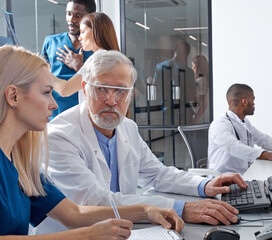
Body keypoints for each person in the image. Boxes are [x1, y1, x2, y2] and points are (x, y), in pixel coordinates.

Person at [35, 50, 248, 234]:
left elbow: (156, 174)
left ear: (130, 94)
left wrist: (204, 185)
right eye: (101, 88)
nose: (111, 100)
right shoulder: (60, 136)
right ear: (84, 89)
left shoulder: (127, 127)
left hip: (122, 230)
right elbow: (94, 202)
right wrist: (180, 208)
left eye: (120, 90)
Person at [0, 45, 184, 238]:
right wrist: (87, 235)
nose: (54, 104)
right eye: (46, 92)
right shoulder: (57, 136)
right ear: (14, 96)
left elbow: (74, 213)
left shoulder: (20, 163)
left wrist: (146, 210)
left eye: (120, 91)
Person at [208, 83, 272, 175]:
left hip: (242, 175)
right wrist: (268, 155)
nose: (254, 103)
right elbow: (233, 146)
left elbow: (262, 138)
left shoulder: (244, 122)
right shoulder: (220, 124)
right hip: (222, 180)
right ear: (244, 102)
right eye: (253, 99)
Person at [42, 0, 96, 119]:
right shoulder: (51, 42)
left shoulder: (95, 49)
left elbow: (102, 84)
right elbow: (41, 78)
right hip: (54, 114)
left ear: (90, 17)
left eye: (78, 15)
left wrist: (80, 67)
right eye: (69, 14)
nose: (71, 20)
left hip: (84, 115)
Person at [53, 12, 120, 104]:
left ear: (96, 31)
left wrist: (44, 74)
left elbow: (66, 90)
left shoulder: (99, 60)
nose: (80, 37)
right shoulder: (112, 58)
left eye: (83, 32)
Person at [153, 40, 196, 124]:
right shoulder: (188, 72)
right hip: (182, 111)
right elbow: (191, 96)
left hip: (165, 109)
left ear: (175, 50)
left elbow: (155, 89)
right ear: (187, 54)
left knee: (168, 134)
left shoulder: (159, 67)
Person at [191, 55, 210, 124]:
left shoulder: (201, 80)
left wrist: (196, 118)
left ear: (198, 66)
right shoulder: (203, 79)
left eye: (193, 65)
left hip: (200, 114)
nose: (192, 68)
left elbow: (203, 102)